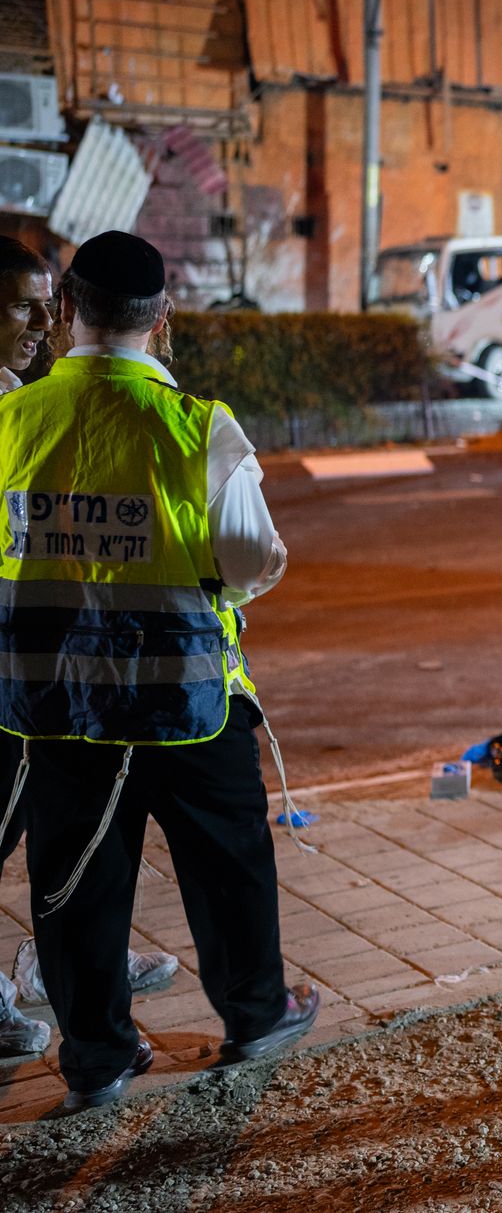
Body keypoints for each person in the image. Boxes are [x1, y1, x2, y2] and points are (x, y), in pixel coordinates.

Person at [1, 232, 316, 1113]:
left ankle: (96, 1058)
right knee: (229, 864)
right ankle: (258, 1013)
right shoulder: (198, 426)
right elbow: (250, 557)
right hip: (186, 703)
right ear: (162, 322)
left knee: (73, 882)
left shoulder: (10, 422)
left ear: (67, 313)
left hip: (57, 706)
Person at [0, 237, 180, 1063]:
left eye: (49, 305)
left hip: (36, 665)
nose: (43, 323)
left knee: (52, 822)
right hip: (15, 665)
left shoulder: (19, 395)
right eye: (22, 307)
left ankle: (67, 958)